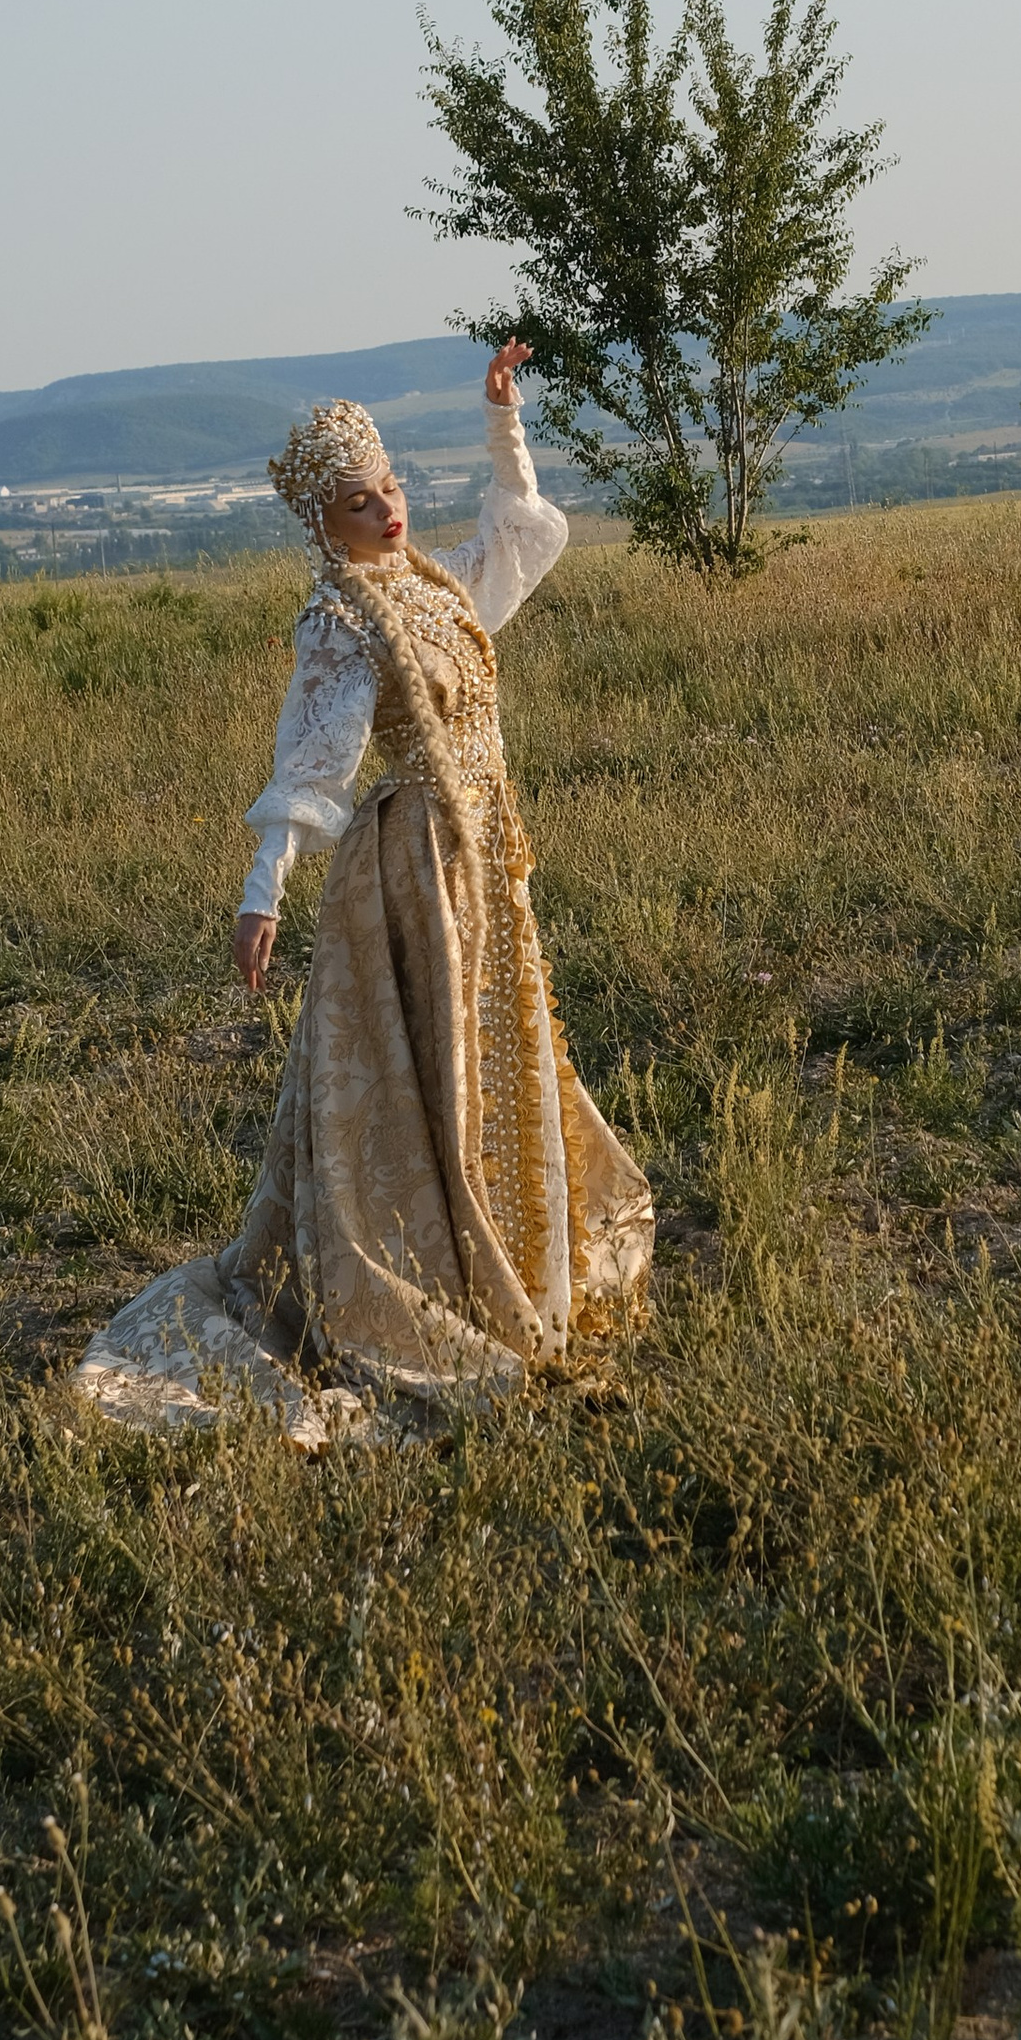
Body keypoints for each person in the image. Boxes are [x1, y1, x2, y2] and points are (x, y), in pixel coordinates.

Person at [77, 342, 653, 1440]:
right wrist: (263, 894)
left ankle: (512, 1252)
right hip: (412, 876)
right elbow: (312, 765)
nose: (386, 511)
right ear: (322, 521)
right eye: (359, 501)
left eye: (388, 489)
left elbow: (526, 535)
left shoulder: (432, 582)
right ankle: (427, 1276)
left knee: (491, 1059)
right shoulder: (340, 621)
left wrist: (502, 424)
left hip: (484, 857)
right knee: (423, 1073)